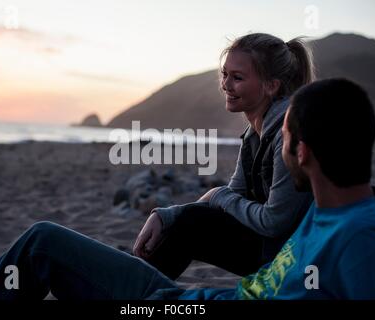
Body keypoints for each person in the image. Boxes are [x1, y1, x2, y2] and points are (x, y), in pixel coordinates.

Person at [0, 78, 375, 300]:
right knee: (46, 240)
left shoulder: (360, 238)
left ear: (302, 150)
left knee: (42, 244)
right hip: (186, 299)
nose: (280, 151)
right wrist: (171, 214)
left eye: (285, 141)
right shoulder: (330, 209)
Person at [133, 33, 314, 279]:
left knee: (193, 225)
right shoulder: (254, 134)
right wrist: (167, 215)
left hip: (296, 257)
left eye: (237, 77)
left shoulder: (288, 132)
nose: (226, 85)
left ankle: (135, 293)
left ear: (272, 85)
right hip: (274, 245)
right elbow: (233, 195)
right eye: (224, 74)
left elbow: (274, 222)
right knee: (187, 223)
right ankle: (135, 288)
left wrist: (216, 196)